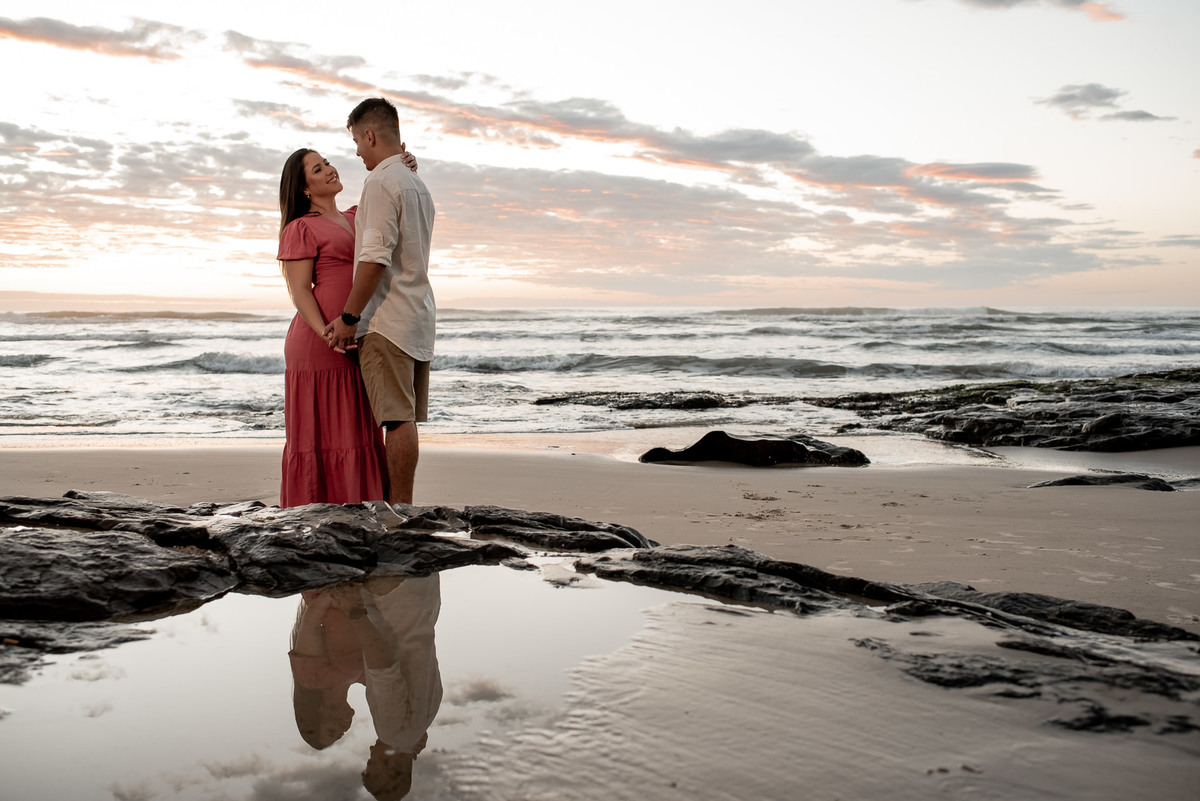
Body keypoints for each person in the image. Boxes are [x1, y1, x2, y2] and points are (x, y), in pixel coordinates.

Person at [277, 146, 416, 506]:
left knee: (357, 428)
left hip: (355, 335)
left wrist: (404, 168)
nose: (329, 169)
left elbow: (392, 209)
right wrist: (327, 334)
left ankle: (361, 507)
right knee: (323, 435)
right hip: (319, 343)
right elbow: (300, 291)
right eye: (317, 169)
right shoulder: (300, 227)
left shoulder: (358, 214)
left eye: (326, 163)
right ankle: (316, 511)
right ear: (304, 189)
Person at [324, 98, 436, 507]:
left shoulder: (381, 182)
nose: (356, 152)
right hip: (416, 316)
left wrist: (349, 317)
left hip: (388, 322)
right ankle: (401, 507)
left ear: (369, 135)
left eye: (357, 141)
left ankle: (398, 511)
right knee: (404, 418)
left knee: (396, 419)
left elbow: (374, 258)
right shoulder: (416, 184)